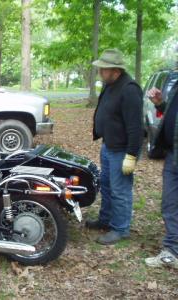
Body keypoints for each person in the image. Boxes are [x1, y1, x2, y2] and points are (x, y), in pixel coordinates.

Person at [86, 49, 144, 245]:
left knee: (120, 190)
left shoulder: (129, 89)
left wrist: (131, 155)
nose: (100, 72)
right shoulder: (110, 84)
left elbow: (136, 127)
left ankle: (120, 229)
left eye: (104, 69)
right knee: (107, 186)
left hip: (122, 150)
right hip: (108, 145)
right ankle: (105, 220)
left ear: (116, 71)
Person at [145, 79, 178, 269]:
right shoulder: (176, 85)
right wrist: (160, 103)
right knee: (169, 204)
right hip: (173, 154)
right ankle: (172, 251)